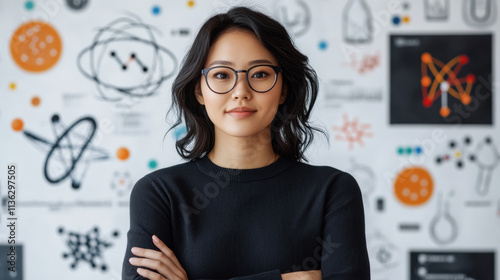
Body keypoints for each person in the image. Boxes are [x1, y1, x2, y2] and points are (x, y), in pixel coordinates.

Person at [122, 6, 370, 280]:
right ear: (199, 90)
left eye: (260, 74)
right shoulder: (159, 193)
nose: (241, 92)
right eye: (221, 75)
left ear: (284, 88)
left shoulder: (332, 191)